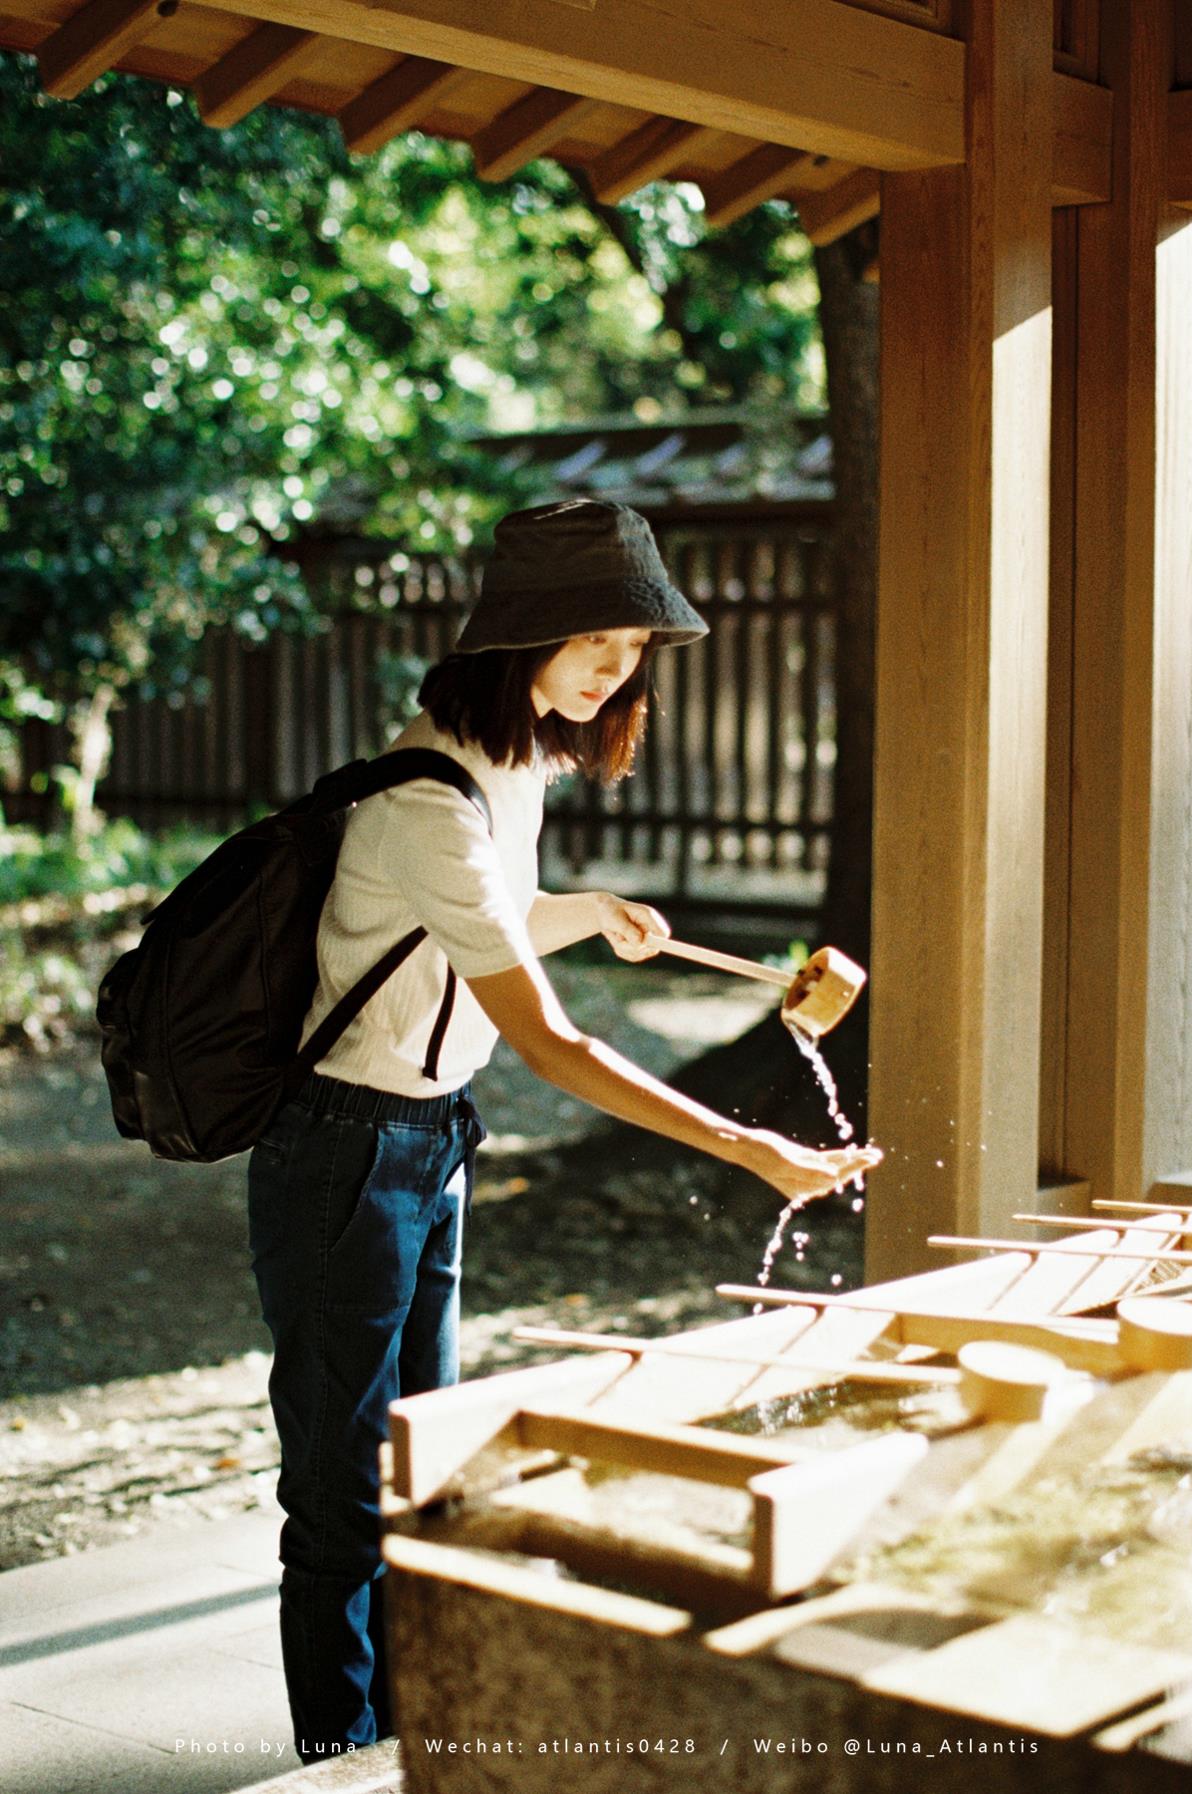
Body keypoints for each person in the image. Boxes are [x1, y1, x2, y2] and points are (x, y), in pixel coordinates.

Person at [247, 498, 881, 1762]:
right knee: (338, 1497)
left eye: (634, 649)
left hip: (430, 1145)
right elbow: (551, 1045)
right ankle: (339, 1759)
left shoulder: (514, 768)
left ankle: (403, 1742)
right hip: (345, 1152)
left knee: (414, 1468)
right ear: (521, 640)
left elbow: (466, 929)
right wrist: (749, 1149)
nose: (619, 669)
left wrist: (583, 910)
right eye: (596, 642)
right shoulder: (430, 798)